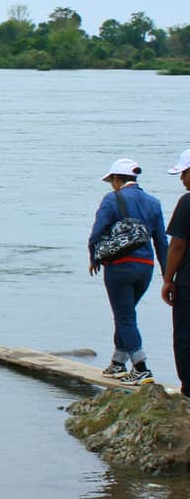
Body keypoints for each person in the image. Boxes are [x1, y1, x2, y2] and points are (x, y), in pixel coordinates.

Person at [89, 158, 169, 385]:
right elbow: (162, 242)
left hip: (119, 267)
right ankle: (117, 363)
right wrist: (167, 276)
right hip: (146, 268)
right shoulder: (154, 203)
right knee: (126, 314)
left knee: (124, 316)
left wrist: (93, 257)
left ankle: (141, 366)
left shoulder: (111, 200)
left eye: (111, 180)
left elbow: (97, 233)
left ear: (116, 179)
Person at [161, 149, 190, 392]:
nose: (182, 179)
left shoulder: (187, 203)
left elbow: (178, 245)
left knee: (185, 338)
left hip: (189, 283)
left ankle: (189, 391)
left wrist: (168, 279)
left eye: (184, 173)